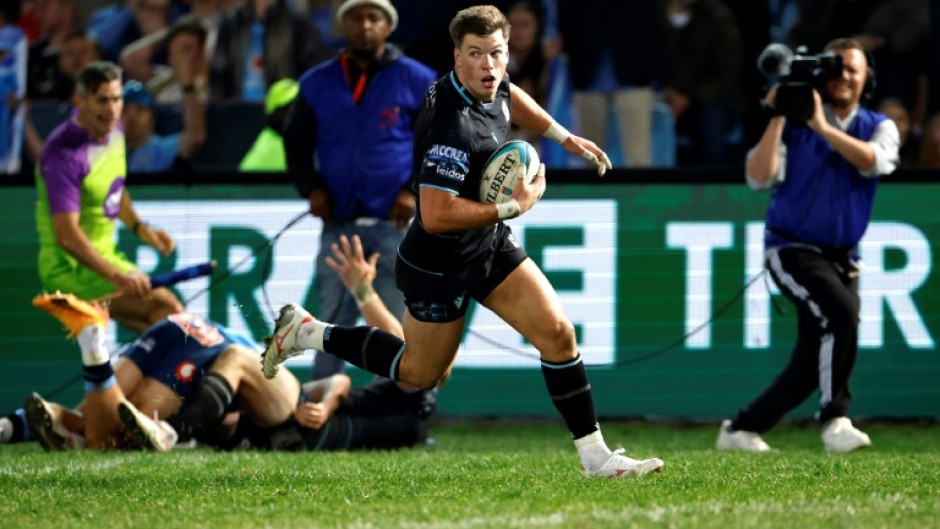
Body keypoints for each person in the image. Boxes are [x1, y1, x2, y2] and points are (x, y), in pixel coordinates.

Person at [263, 5, 664, 479]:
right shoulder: (451, 126)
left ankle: (596, 459)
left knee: (558, 335)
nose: (488, 66)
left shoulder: (493, 82)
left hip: (487, 245)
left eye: (496, 53)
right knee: (419, 374)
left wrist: (564, 136)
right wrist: (514, 207)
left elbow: (514, 97)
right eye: (475, 55)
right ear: (457, 57)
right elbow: (433, 216)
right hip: (437, 263)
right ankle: (307, 332)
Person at [716, 38, 900, 454]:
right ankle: (835, 418)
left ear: (867, 78)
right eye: (837, 67)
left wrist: (821, 125)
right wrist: (781, 114)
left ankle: (741, 429)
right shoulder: (793, 124)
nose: (845, 75)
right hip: (790, 248)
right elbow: (757, 177)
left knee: (811, 358)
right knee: (843, 316)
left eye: (854, 68)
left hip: (842, 258)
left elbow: (874, 162)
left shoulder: (878, 124)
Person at [283, 0, 436, 380]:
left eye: (374, 18)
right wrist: (312, 188)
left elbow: (436, 142)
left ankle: (408, 408)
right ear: (342, 25)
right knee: (332, 316)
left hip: (396, 224)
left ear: (388, 26)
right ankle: (317, 410)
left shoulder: (418, 78)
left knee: (403, 319)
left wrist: (412, 191)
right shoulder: (317, 81)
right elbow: (296, 141)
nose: (364, 25)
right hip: (339, 221)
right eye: (355, 17)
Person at [35, 61, 183, 333]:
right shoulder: (64, 155)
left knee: (157, 328)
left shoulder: (115, 130)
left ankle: (139, 377)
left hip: (104, 257)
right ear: (80, 101)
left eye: (116, 99)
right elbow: (66, 236)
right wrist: (117, 277)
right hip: (69, 269)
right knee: (167, 311)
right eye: (102, 100)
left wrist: (139, 227)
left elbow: (114, 188)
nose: (112, 109)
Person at [555, 0, 671, 167]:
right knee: (591, 157)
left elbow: (655, 27)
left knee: (638, 156)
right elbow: (566, 24)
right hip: (588, 80)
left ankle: (638, 192)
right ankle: (596, 194)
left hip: (635, 80)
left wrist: (654, 72)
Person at [123, 78, 206, 172]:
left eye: (140, 109)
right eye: (125, 110)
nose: (132, 116)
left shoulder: (162, 149)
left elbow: (194, 138)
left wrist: (189, 89)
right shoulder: (110, 151)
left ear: (152, 117)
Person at [239, 77, 299, 172]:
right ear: (273, 114)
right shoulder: (268, 149)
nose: (295, 113)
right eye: (287, 108)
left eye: (298, 106)